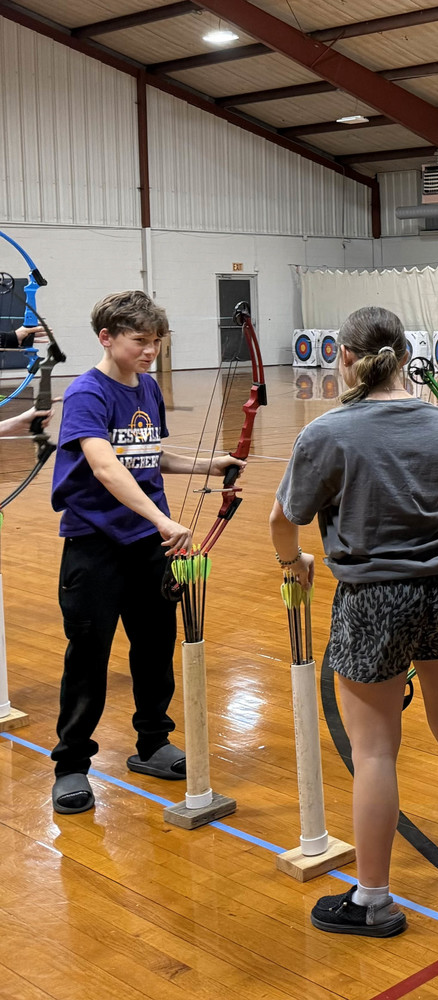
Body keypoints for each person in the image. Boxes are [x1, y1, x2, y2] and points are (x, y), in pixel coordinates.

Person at [269, 305, 438, 938]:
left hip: (374, 598)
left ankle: (372, 900)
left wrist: (293, 563)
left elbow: (282, 520)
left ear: (344, 356)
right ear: (405, 355)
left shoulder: (329, 432)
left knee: (374, 750)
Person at [49, 290, 244, 815]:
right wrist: (161, 519)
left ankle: (153, 743)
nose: (150, 350)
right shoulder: (87, 394)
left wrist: (211, 465)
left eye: (156, 341)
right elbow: (106, 465)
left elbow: (148, 454)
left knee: (156, 647)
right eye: (140, 341)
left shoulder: (148, 388)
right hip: (96, 546)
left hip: (149, 547)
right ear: (106, 338)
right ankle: (71, 765)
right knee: (88, 655)